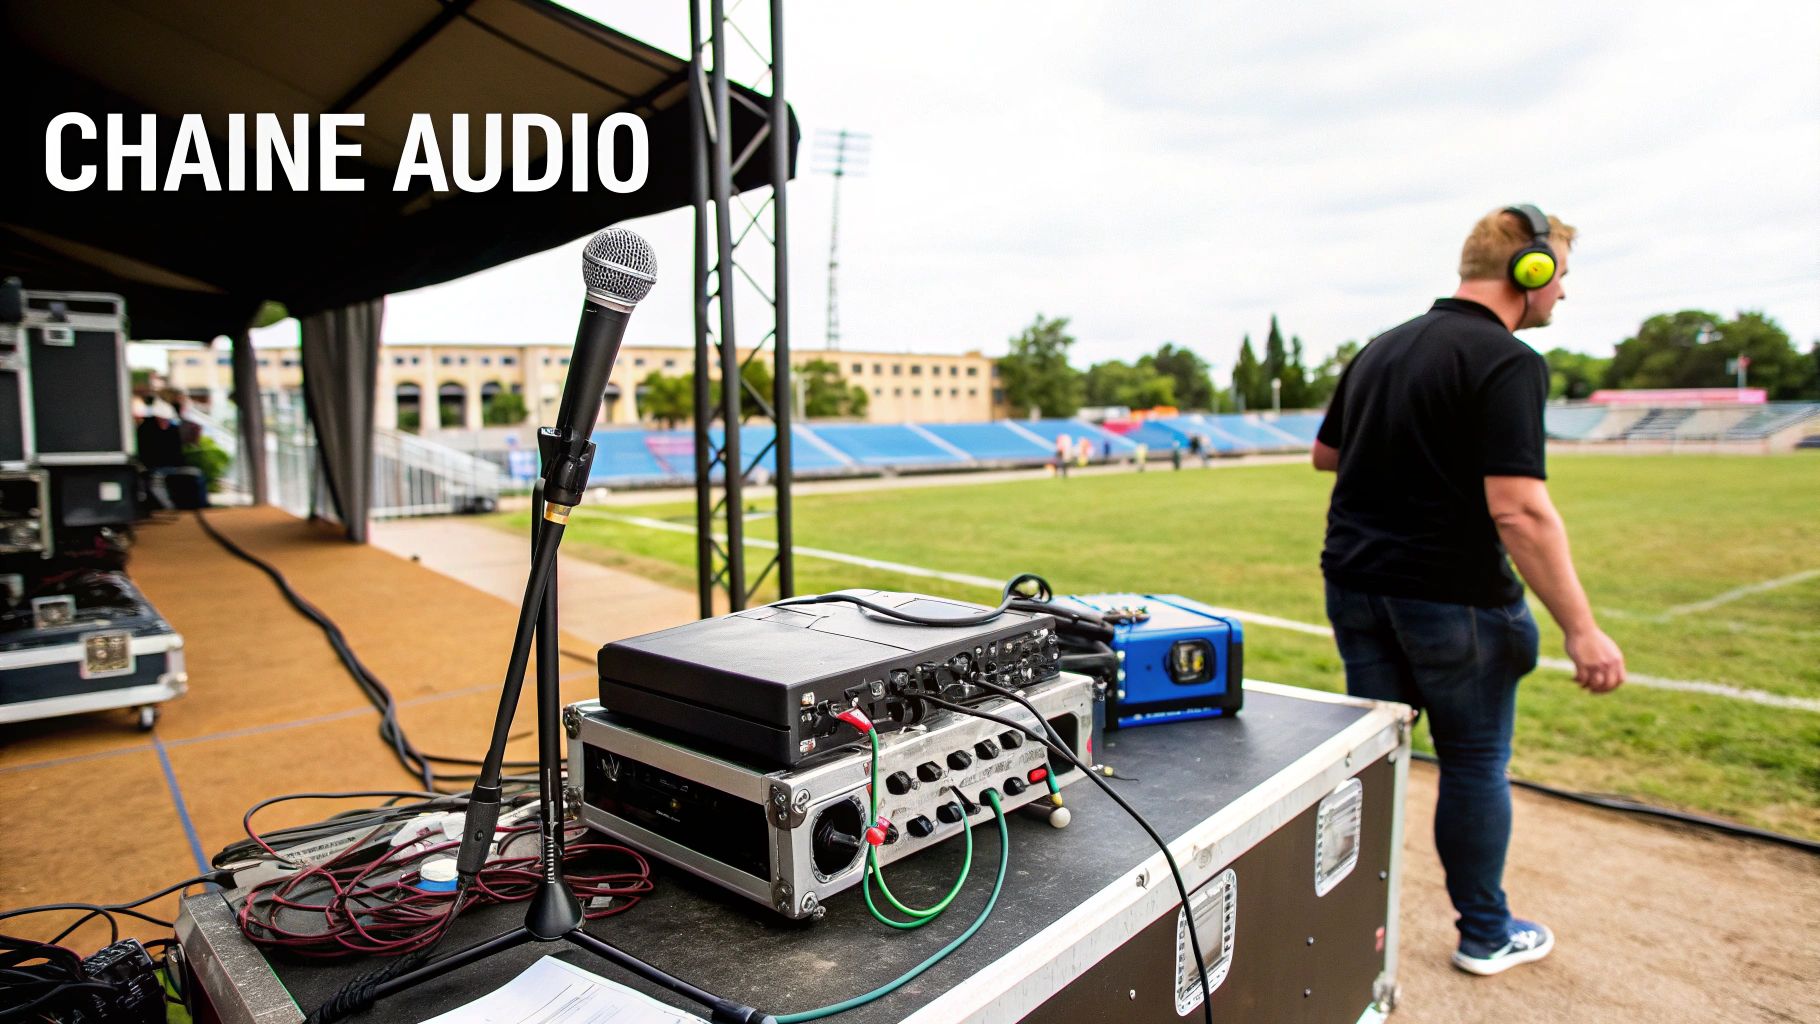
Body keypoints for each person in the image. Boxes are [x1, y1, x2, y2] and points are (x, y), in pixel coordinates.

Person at [1313, 205, 1625, 978]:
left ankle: (1354, 931)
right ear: (1533, 268)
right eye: (1562, 276)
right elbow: (1517, 509)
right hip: (1455, 601)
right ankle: (1485, 932)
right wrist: (1583, 630)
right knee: (1475, 762)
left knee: (1379, 760)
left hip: (1356, 587)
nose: (1562, 294)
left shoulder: (1381, 348)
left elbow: (1326, 455)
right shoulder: (1508, 360)